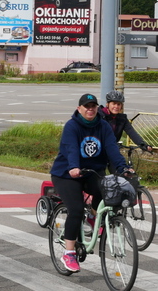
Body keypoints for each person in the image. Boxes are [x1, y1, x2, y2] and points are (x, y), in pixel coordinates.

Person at [50, 93, 132, 273]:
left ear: (97, 108)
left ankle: (94, 217)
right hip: (67, 174)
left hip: (92, 171)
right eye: (86, 106)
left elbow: (112, 149)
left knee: (107, 191)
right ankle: (69, 253)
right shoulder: (72, 126)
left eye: (93, 106)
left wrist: (123, 168)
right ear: (79, 109)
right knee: (76, 210)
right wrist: (73, 166)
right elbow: (71, 148)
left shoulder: (103, 126)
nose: (90, 109)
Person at [98, 90, 152, 155]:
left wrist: (143, 145)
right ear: (107, 104)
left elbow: (131, 132)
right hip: (98, 149)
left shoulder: (122, 119)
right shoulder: (99, 116)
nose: (116, 106)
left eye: (119, 104)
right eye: (114, 104)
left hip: (112, 150)